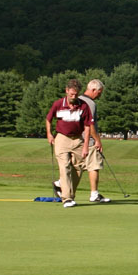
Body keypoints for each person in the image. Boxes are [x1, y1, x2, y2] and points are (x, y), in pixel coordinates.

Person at [45, 79, 100, 208]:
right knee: (64, 166)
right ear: (67, 91)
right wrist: (49, 134)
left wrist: (86, 145)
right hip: (62, 138)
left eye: (76, 94)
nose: (73, 97)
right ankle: (67, 198)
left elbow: (88, 126)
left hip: (78, 139)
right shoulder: (58, 104)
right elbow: (48, 119)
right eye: (71, 94)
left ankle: (70, 194)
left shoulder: (83, 106)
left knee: (78, 168)